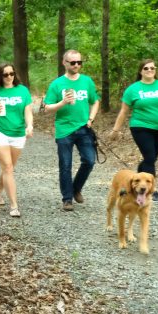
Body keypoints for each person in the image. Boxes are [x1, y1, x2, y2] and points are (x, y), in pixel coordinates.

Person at [109, 59, 158, 203]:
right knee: (150, 157)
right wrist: (115, 130)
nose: (149, 70)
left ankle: (137, 178)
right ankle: (152, 190)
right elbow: (123, 111)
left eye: (152, 68)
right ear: (141, 71)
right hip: (140, 126)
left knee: (150, 158)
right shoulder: (133, 89)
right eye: (146, 68)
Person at [44, 49, 100, 211]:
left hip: (84, 128)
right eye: (73, 62)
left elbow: (95, 101)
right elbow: (47, 108)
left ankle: (76, 188)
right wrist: (62, 103)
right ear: (64, 63)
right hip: (64, 130)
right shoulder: (57, 84)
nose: (76, 65)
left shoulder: (87, 81)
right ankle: (67, 199)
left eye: (79, 62)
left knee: (89, 160)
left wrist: (91, 119)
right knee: (65, 165)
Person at [0, 63, 33, 217]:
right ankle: (14, 206)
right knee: (8, 167)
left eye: (12, 73)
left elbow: (28, 111)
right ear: (0, 76)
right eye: (5, 75)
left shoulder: (23, 90)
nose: (9, 77)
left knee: (8, 168)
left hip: (17, 133)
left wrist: (29, 126)